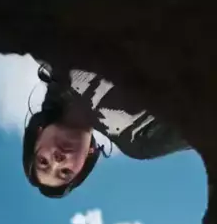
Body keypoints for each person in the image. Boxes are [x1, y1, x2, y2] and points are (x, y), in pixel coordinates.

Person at [23, 62, 192, 198]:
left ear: (39, 133)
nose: (57, 161)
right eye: (65, 172)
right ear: (86, 160)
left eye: (43, 161)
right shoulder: (140, 141)